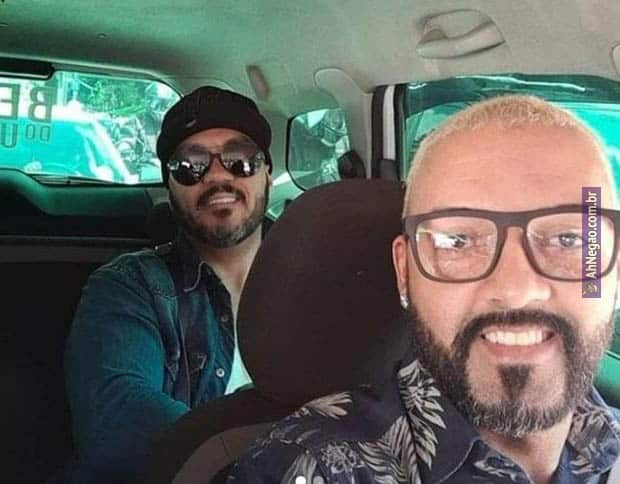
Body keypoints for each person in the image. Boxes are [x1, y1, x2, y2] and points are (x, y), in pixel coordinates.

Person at [227, 95, 620, 483]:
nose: (517, 290)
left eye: (570, 239)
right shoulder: (316, 467)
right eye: (458, 242)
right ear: (405, 273)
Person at [62, 86, 273, 483]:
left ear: (267, 174)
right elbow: (117, 414)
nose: (217, 176)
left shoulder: (321, 283)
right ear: (169, 187)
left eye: (240, 159)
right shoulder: (129, 285)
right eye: (191, 165)